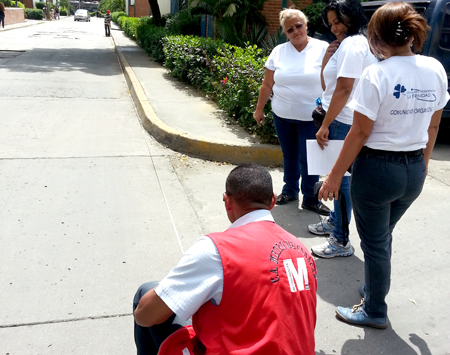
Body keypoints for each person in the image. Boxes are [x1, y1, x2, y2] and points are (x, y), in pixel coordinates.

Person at [317, 2, 449, 328]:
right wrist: (424, 162)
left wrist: (334, 176)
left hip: (377, 171)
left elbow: (360, 132)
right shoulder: (434, 68)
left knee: (375, 243)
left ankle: (374, 308)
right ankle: (374, 286)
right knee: (382, 236)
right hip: (414, 169)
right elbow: (433, 127)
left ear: (376, 34)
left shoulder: (376, 73)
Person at [133, 163, 318, 354]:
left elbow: (145, 316)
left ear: (227, 201)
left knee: (145, 294)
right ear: (272, 201)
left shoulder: (217, 249)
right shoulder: (300, 249)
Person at [308, 0, 378, 259]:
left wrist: (326, 124)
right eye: (331, 23)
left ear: (353, 17)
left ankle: (340, 240)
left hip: (342, 120)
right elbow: (328, 83)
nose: (334, 27)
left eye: (338, 21)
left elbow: (345, 88)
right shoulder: (350, 44)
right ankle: (335, 221)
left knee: (340, 180)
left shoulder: (353, 44)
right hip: (340, 118)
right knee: (338, 178)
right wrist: (328, 57)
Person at [253, 8, 331, 216]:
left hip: (311, 118)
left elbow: (333, 82)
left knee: (310, 158)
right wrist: (259, 109)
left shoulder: (322, 48)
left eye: (299, 26)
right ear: (285, 33)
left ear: (306, 25)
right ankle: (289, 191)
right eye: (290, 29)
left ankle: (311, 198)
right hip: (282, 115)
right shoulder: (279, 51)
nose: (295, 31)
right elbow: (267, 84)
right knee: (290, 154)